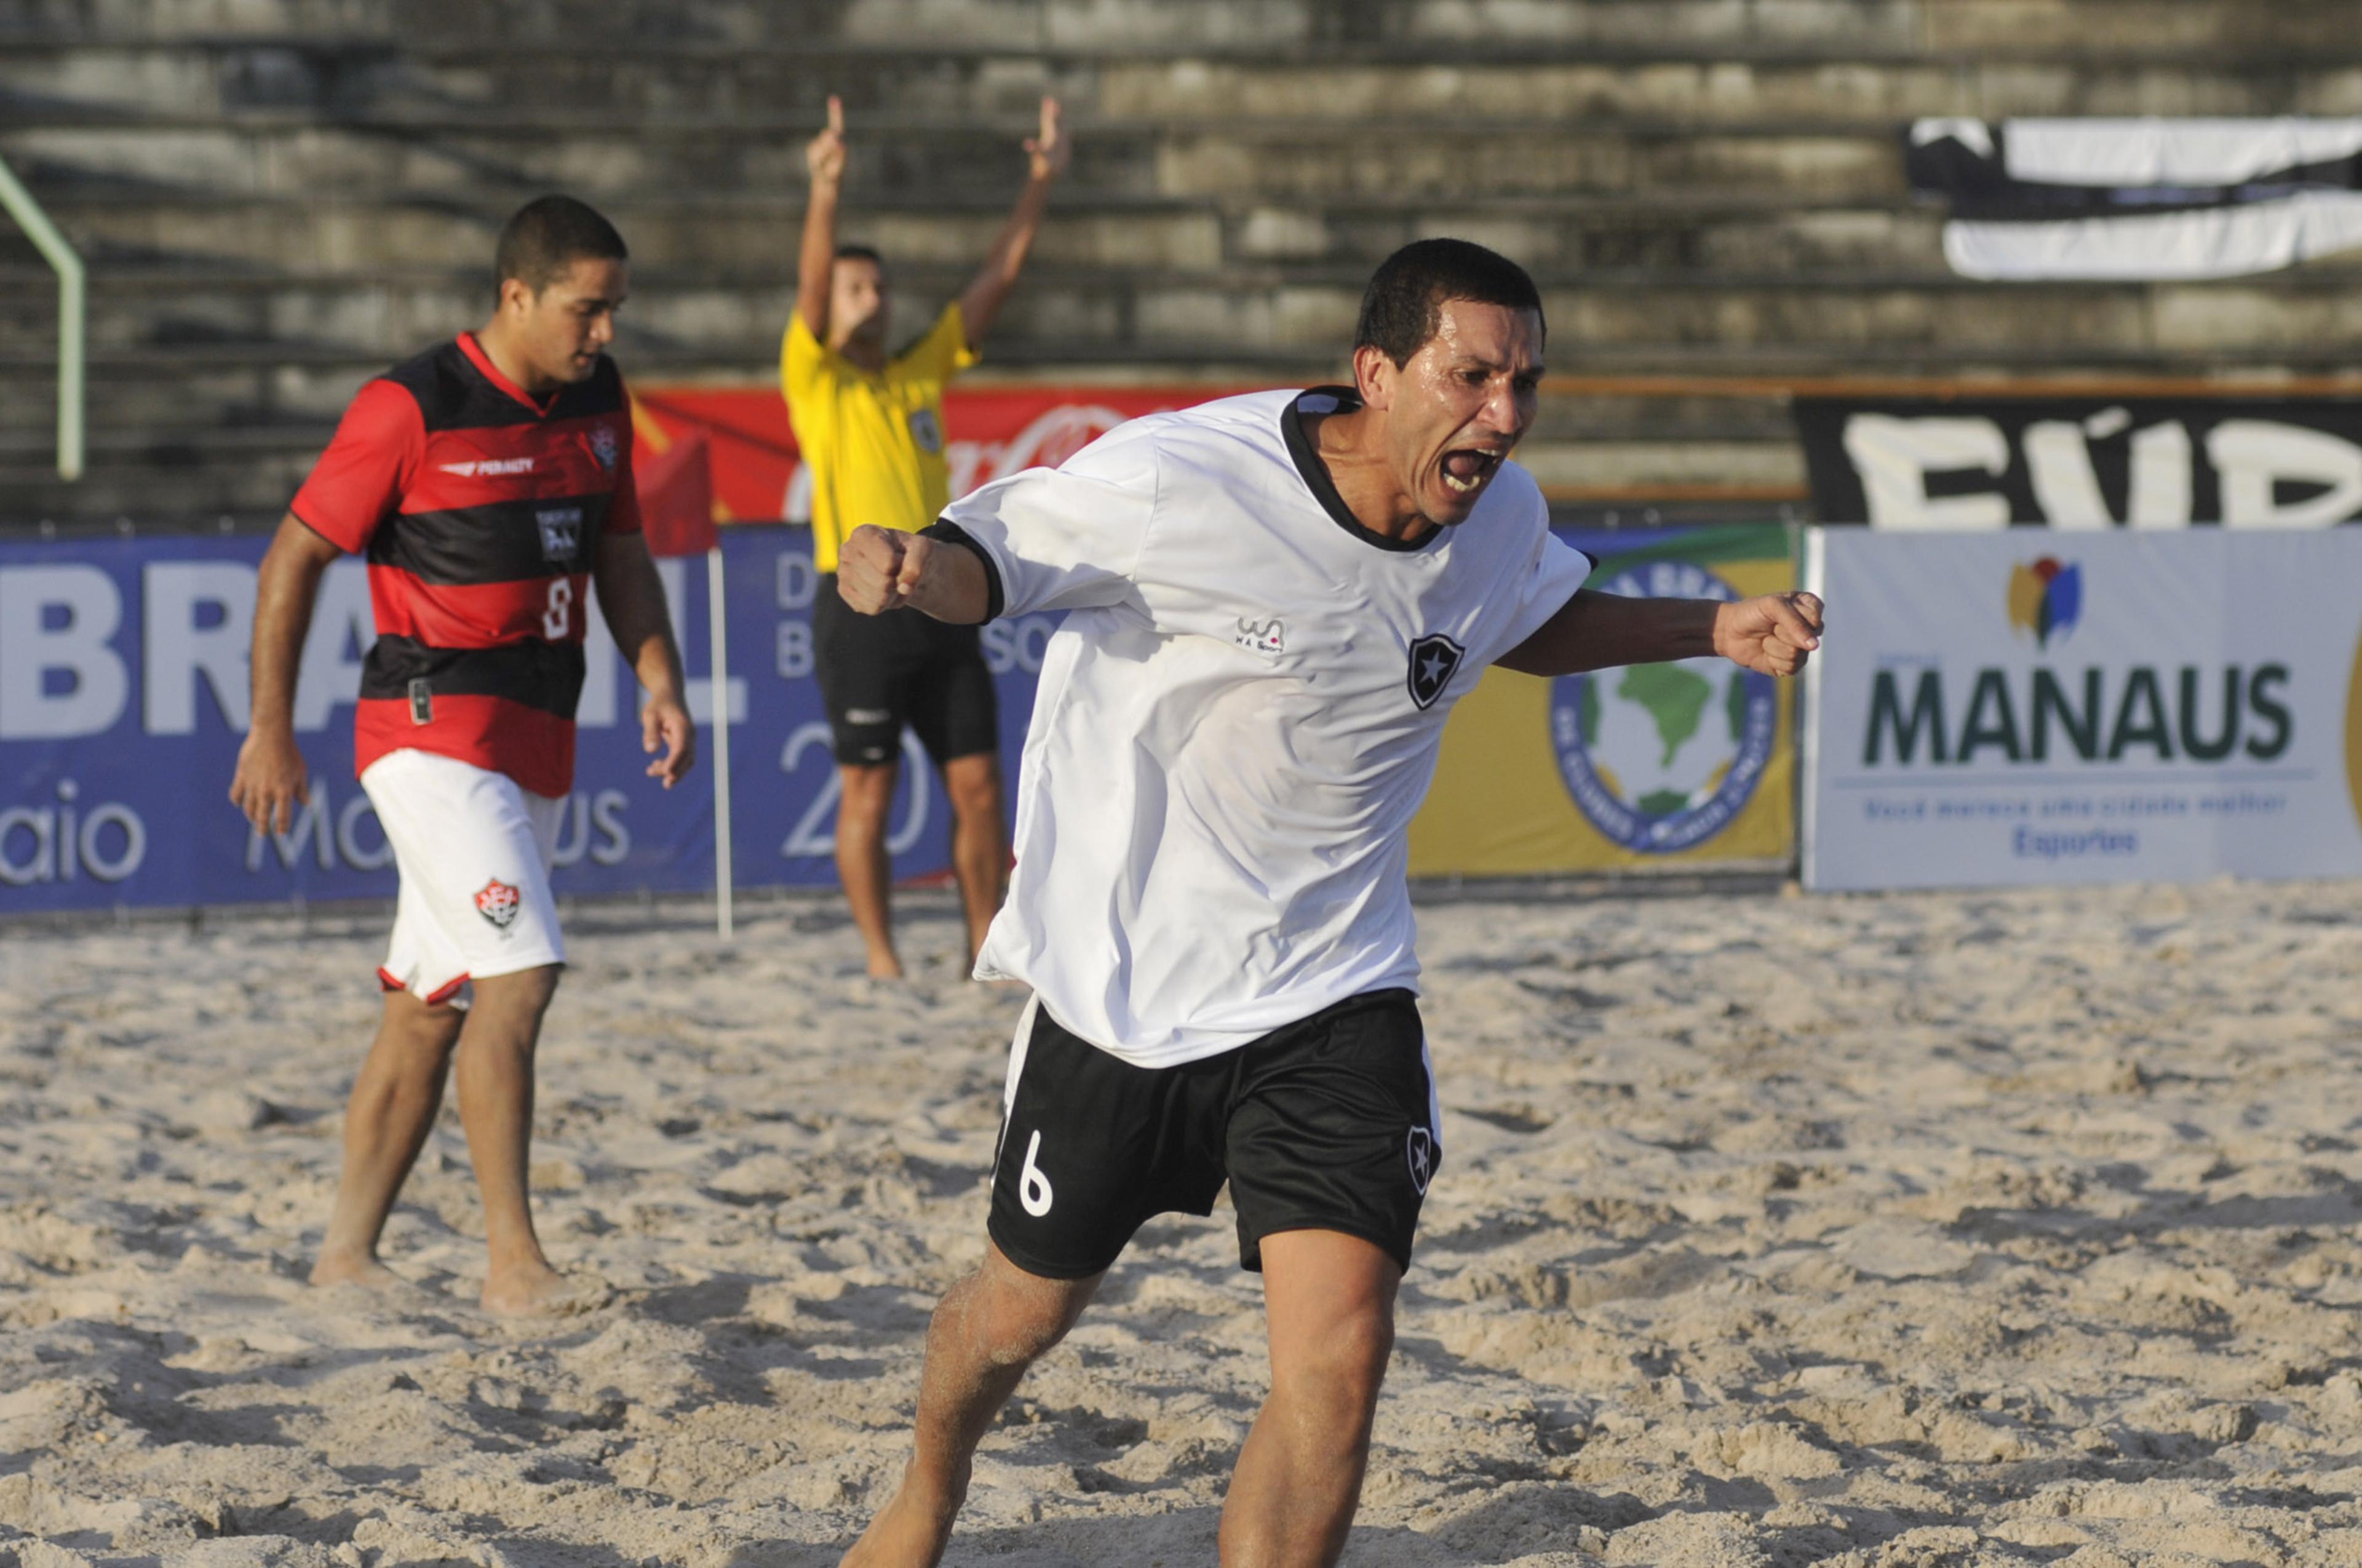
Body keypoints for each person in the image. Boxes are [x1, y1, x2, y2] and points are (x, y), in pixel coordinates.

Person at [830, 239, 1826, 1566]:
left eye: (1525, 382)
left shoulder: (1505, 514)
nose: (1505, 413)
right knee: (1016, 1320)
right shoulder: (1182, 482)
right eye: (1472, 376)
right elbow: (990, 562)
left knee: (1341, 1358)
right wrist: (909, 573)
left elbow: (1521, 619)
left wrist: (1708, 629)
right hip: (1128, 995)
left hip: (1334, 987)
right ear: (1376, 371)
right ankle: (926, 1493)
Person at [228, 195, 695, 1317]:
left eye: (617, 310)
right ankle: (513, 1263)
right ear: (517, 296)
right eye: (588, 311)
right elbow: (294, 556)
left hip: (536, 736)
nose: (606, 334)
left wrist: (659, 673)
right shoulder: (408, 406)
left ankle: (345, 1253)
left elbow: (620, 547)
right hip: (429, 733)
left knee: (429, 1003)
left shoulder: (600, 401)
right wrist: (271, 724)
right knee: (519, 975)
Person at [784, 93, 1070, 979]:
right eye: (854, 287)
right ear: (830, 304)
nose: (873, 299)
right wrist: (826, 191)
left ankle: (983, 943)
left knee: (980, 786)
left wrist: (1040, 185)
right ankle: (881, 960)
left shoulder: (917, 372)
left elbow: (997, 284)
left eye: (879, 286)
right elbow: (807, 291)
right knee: (868, 788)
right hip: (861, 606)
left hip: (937, 597)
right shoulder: (817, 380)